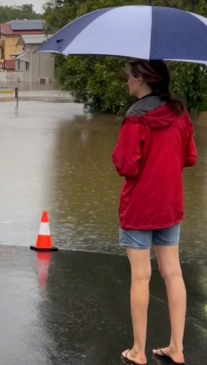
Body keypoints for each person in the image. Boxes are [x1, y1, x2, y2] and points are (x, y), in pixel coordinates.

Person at [113, 59, 197, 365]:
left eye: (129, 77)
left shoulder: (136, 119)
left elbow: (126, 165)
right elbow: (190, 157)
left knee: (141, 277)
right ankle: (177, 347)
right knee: (173, 273)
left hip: (139, 208)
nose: (127, 82)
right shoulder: (180, 115)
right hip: (170, 205)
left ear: (140, 79)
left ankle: (138, 351)